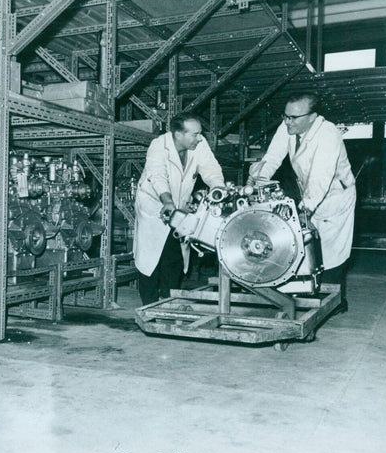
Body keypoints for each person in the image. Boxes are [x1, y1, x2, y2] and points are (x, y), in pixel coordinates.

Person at [247, 91, 356, 312]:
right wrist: (258, 183)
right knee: (307, 244)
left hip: (334, 197)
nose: (287, 121)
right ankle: (309, 293)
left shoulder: (328, 134)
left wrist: (305, 207)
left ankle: (335, 301)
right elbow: (272, 158)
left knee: (330, 252)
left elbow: (320, 177)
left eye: (293, 118)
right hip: (311, 191)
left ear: (312, 116)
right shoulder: (288, 127)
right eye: (285, 116)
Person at [133, 111, 225, 305]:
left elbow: (211, 168)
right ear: (178, 134)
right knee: (151, 258)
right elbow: (157, 175)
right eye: (195, 134)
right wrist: (167, 200)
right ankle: (149, 304)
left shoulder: (199, 145)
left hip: (179, 208)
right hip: (154, 205)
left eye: (200, 133)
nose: (199, 138)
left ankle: (169, 300)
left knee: (174, 257)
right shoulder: (159, 146)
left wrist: (218, 189)